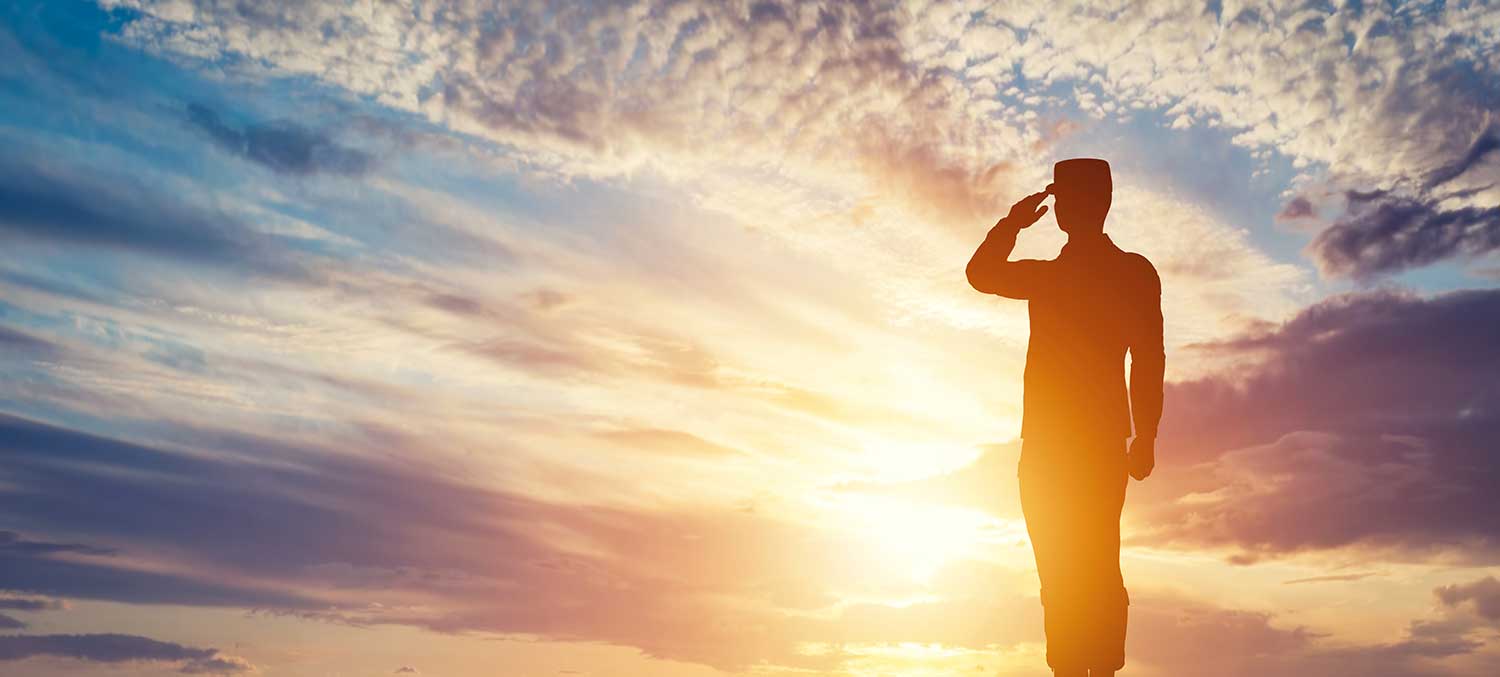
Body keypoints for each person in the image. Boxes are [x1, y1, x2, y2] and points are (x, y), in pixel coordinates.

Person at [965, 158, 1164, 677]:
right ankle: (1084, 668)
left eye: (1064, 199)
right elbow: (1149, 359)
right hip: (1071, 448)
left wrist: (1012, 223)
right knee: (1081, 567)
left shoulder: (1074, 276)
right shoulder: (1113, 273)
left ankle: (1083, 668)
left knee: (1074, 570)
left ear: (1067, 208)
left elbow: (1148, 358)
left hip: (1068, 448)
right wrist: (1144, 436)